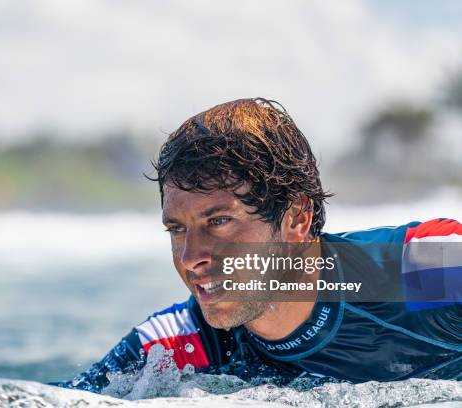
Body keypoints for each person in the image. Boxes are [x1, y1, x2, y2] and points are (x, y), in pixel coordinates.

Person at [51, 98, 461, 393]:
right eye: (177, 229)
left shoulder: (413, 274)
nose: (191, 258)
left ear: (297, 218)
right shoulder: (175, 345)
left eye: (219, 222)